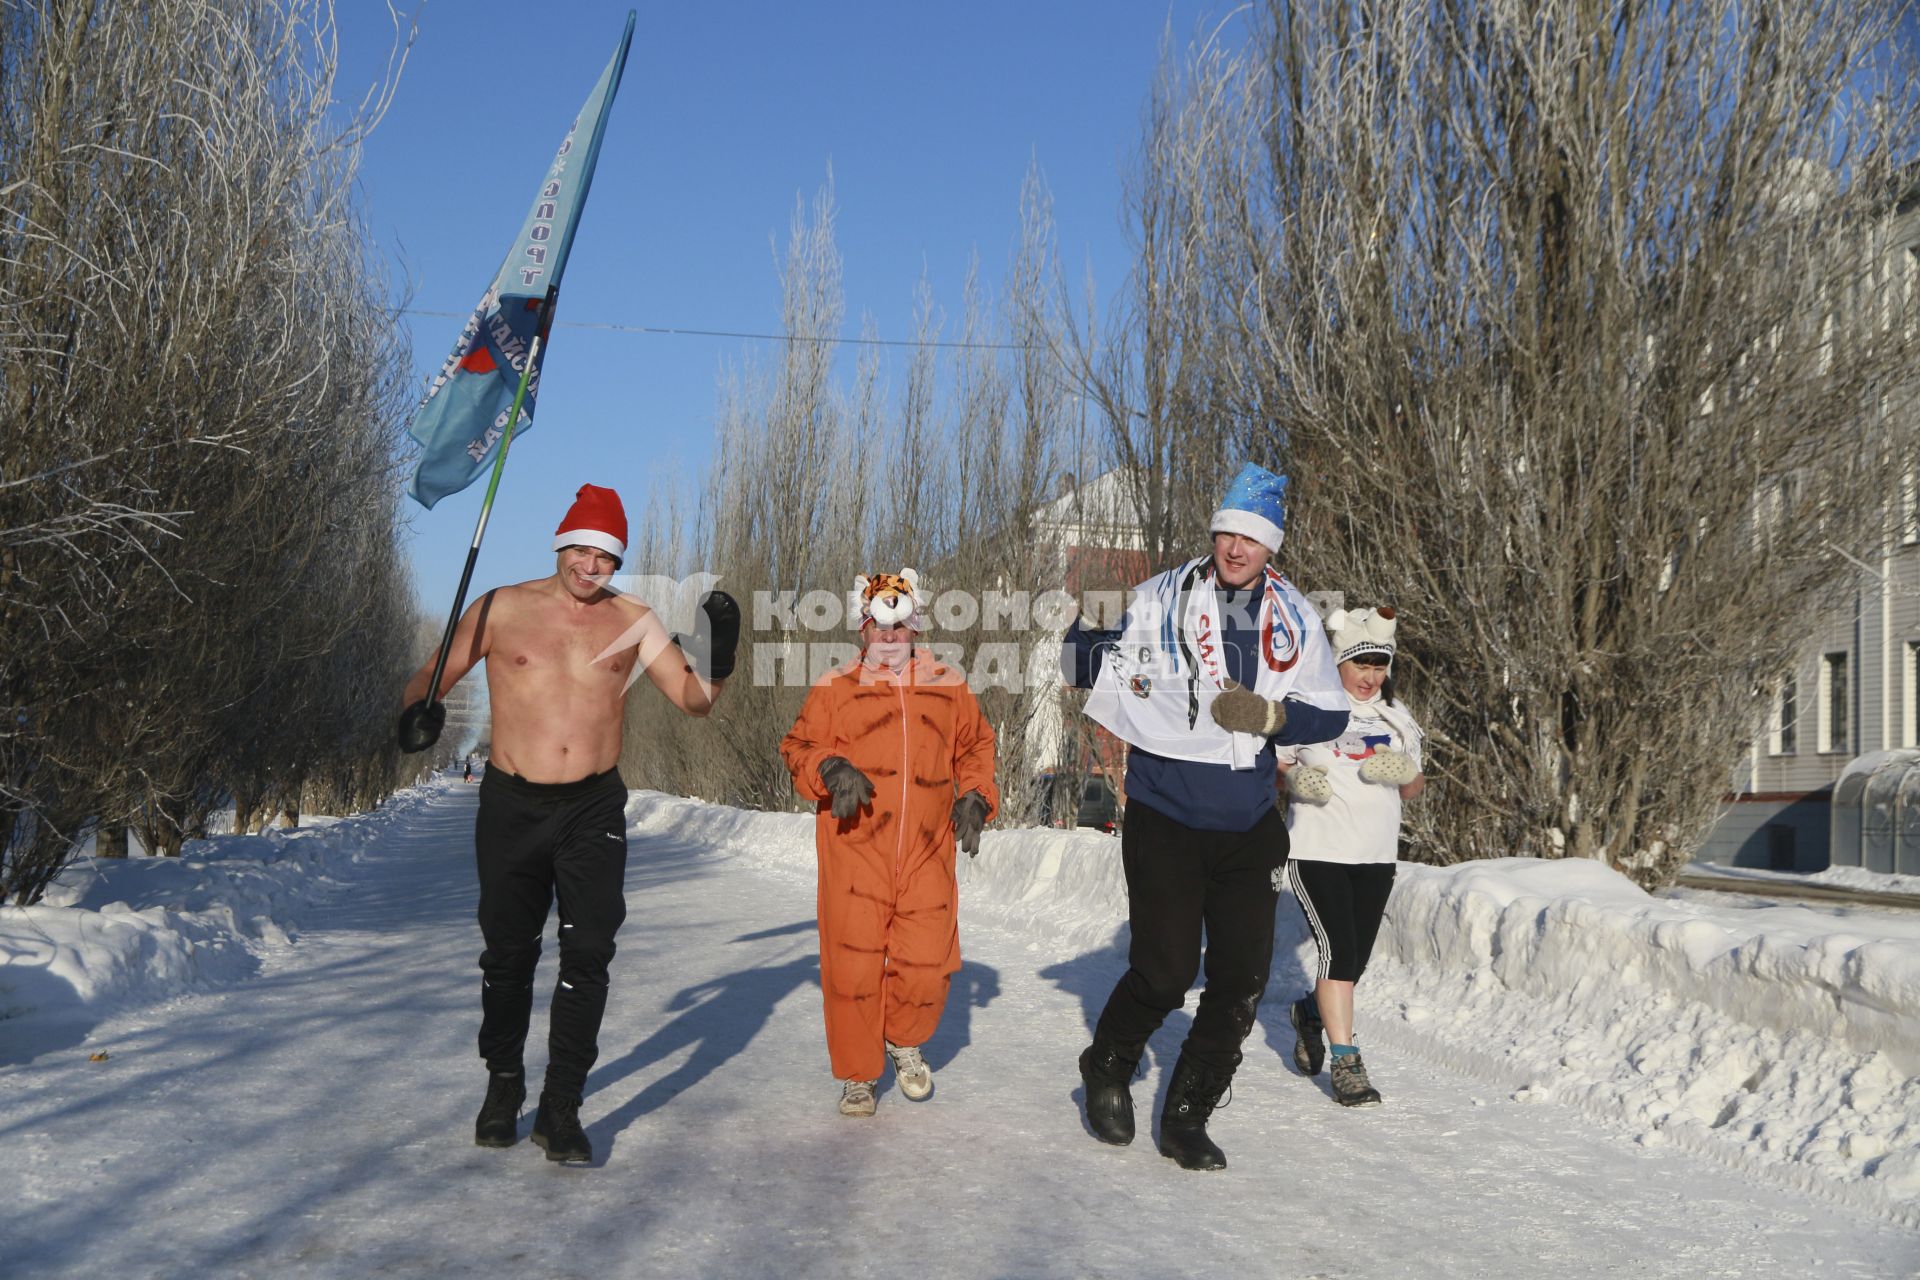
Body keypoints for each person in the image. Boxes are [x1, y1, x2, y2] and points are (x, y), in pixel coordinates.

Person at [397, 484, 739, 1164]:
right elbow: (431, 677)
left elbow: (693, 700)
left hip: (591, 807)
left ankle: (561, 1105)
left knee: (589, 954)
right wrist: (417, 711)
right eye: (583, 550)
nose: (592, 568)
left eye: (607, 558)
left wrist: (719, 655)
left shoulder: (635, 620)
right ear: (561, 543)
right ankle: (503, 1085)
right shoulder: (499, 606)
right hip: (510, 804)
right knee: (508, 952)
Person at [1061, 462, 1349, 1171]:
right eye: (1228, 533)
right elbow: (1100, 666)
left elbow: (1333, 710)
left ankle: (1188, 1112)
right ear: (1215, 532)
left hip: (1247, 820)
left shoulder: (1292, 616)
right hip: (1165, 812)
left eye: (1251, 539)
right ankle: (1108, 1062)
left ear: (1270, 547)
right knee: (1163, 974)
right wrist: (1083, 636)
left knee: (1241, 978)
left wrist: (1275, 715)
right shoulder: (1162, 595)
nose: (1236, 548)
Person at [779, 569, 999, 1117]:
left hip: (927, 850)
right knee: (852, 968)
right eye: (881, 626)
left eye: (901, 625)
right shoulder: (836, 687)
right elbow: (796, 748)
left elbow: (975, 748)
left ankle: (903, 1038)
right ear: (863, 628)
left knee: (927, 962)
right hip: (855, 850)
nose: (891, 636)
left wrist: (975, 795)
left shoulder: (949, 683)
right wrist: (827, 766)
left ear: (916, 626)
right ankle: (858, 1074)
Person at [1277, 606, 1424, 1108]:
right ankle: (1346, 1062)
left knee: (1353, 963)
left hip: (1376, 856)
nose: (1370, 677)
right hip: (1318, 850)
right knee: (1338, 952)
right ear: (1339, 662)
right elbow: (1274, 764)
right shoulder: (1310, 709)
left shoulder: (1396, 716)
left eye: (1379, 666)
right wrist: (1296, 780)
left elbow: (1413, 788)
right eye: (1361, 665)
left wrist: (1403, 771)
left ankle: (1310, 1014)